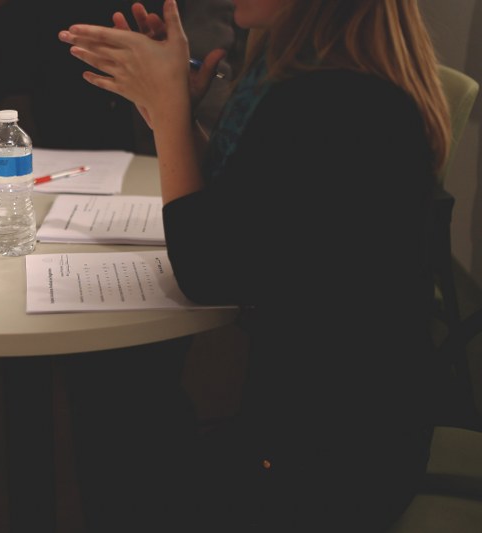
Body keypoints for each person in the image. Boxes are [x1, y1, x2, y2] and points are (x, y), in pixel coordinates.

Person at [59, 0, 450, 531]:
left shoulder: (333, 98)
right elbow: (249, 219)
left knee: (116, 417)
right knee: (124, 392)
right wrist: (168, 111)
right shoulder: (303, 74)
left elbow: (209, 271)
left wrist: (172, 112)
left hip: (331, 464)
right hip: (334, 425)